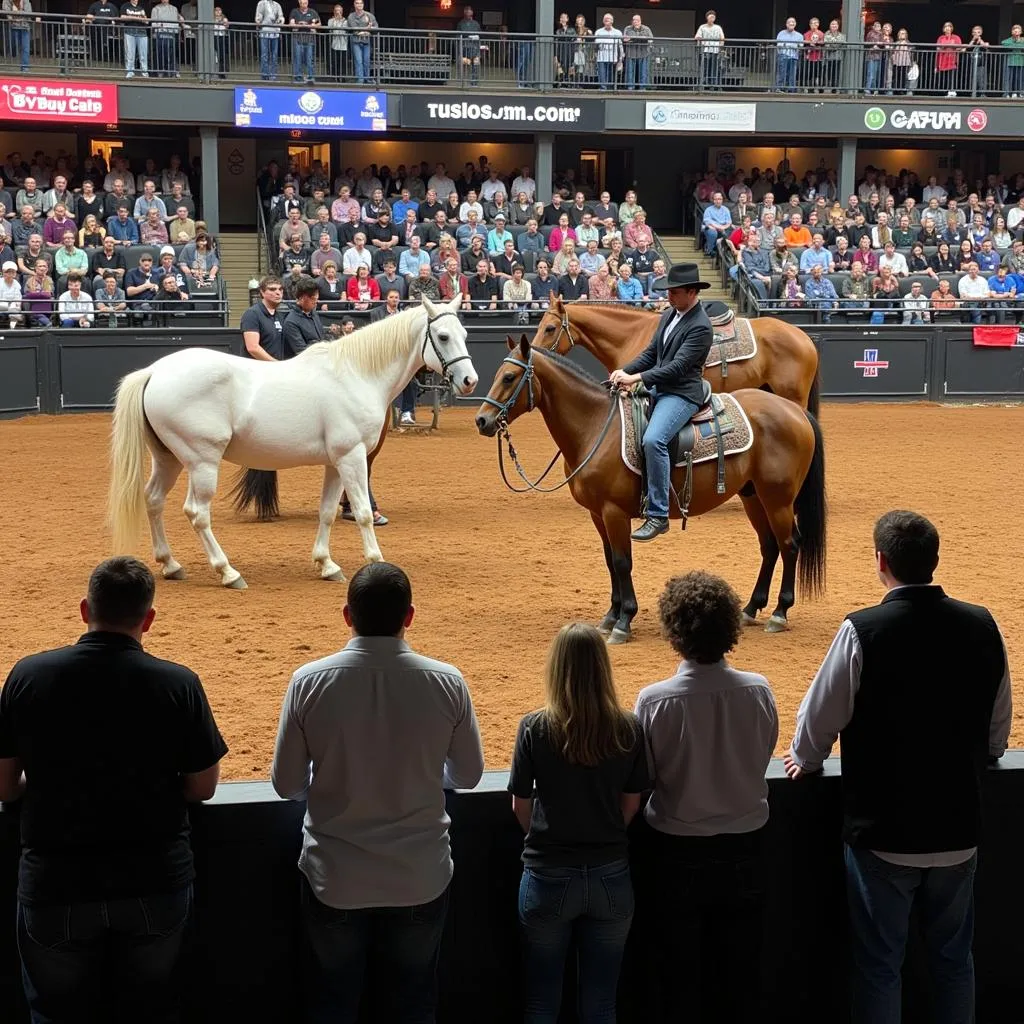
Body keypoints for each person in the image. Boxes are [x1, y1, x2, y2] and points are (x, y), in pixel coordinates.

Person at [784, 511, 1012, 1024]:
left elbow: (817, 722)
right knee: (954, 961)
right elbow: (998, 731)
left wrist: (806, 758)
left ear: (881, 562)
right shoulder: (983, 623)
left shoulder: (861, 630)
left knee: (879, 966)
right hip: (958, 831)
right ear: (935, 561)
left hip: (884, 833)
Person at [0, 557, 227, 1024]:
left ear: (85, 610)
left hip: (55, 884)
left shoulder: (28, 675)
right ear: (148, 619)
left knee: (56, 1014)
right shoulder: (178, 683)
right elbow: (202, 787)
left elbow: (4, 785)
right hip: (153, 881)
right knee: (150, 1010)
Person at [271, 562, 484, 1023]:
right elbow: (467, 777)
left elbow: (287, 785)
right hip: (419, 875)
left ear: (348, 615)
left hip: (336, 876)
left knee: (332, 1003)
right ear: (409, 616)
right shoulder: (447, 681)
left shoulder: (308, 681)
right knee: (412, 1003)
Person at [633, 571, 777, 1021]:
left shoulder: (654, 701)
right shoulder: (759, 689)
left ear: (673, 633)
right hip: (746, 845)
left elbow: (647, 775)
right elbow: (765, 751)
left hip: (677, 849)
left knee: (678, 973)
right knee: (741, 971)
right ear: (731, 630)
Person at [509, 623, 649, 1023]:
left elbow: (520, 805)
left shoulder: (534, 727)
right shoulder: (628, 727)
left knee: (541, 1002)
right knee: (602, 1003)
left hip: (547, 874)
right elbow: (631, 804)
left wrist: (544, 839)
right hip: (610, 875)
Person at [609, 262, 713, 542]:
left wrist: (636, 379)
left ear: (692, 292)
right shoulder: (670, 314)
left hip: (681, 393)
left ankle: (658, 513)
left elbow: (677, 368)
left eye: (675, 292)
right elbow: (652, 352)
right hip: (659, 388)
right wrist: (624, 371)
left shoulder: (701, 327)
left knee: (654, 440)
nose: (668, 296)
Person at [240, 275, 286, 360]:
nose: (278, 292)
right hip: (256, 370)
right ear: (262, 292)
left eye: (280, 289)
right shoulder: (252, 314)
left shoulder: (279, 315)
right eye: (272, 289)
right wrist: (276, 364)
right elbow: (253, 348)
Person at [281, 275, 322, 357]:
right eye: (313, 299)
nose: (316, 302)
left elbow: (321, 337)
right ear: (302, 298)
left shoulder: (313, 313)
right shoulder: (291, 322)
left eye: (317, 298)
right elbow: (301, 351)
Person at [255, 0, 285, 80]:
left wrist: (280, 20)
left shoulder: (277, 4)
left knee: (274, 55)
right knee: (264, 55)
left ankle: (273, 75)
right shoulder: (261, 3)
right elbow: (258, 16)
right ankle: (264, 75)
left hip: (275, 32)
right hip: (265, 31)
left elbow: (281, 16)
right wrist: (259, 20)